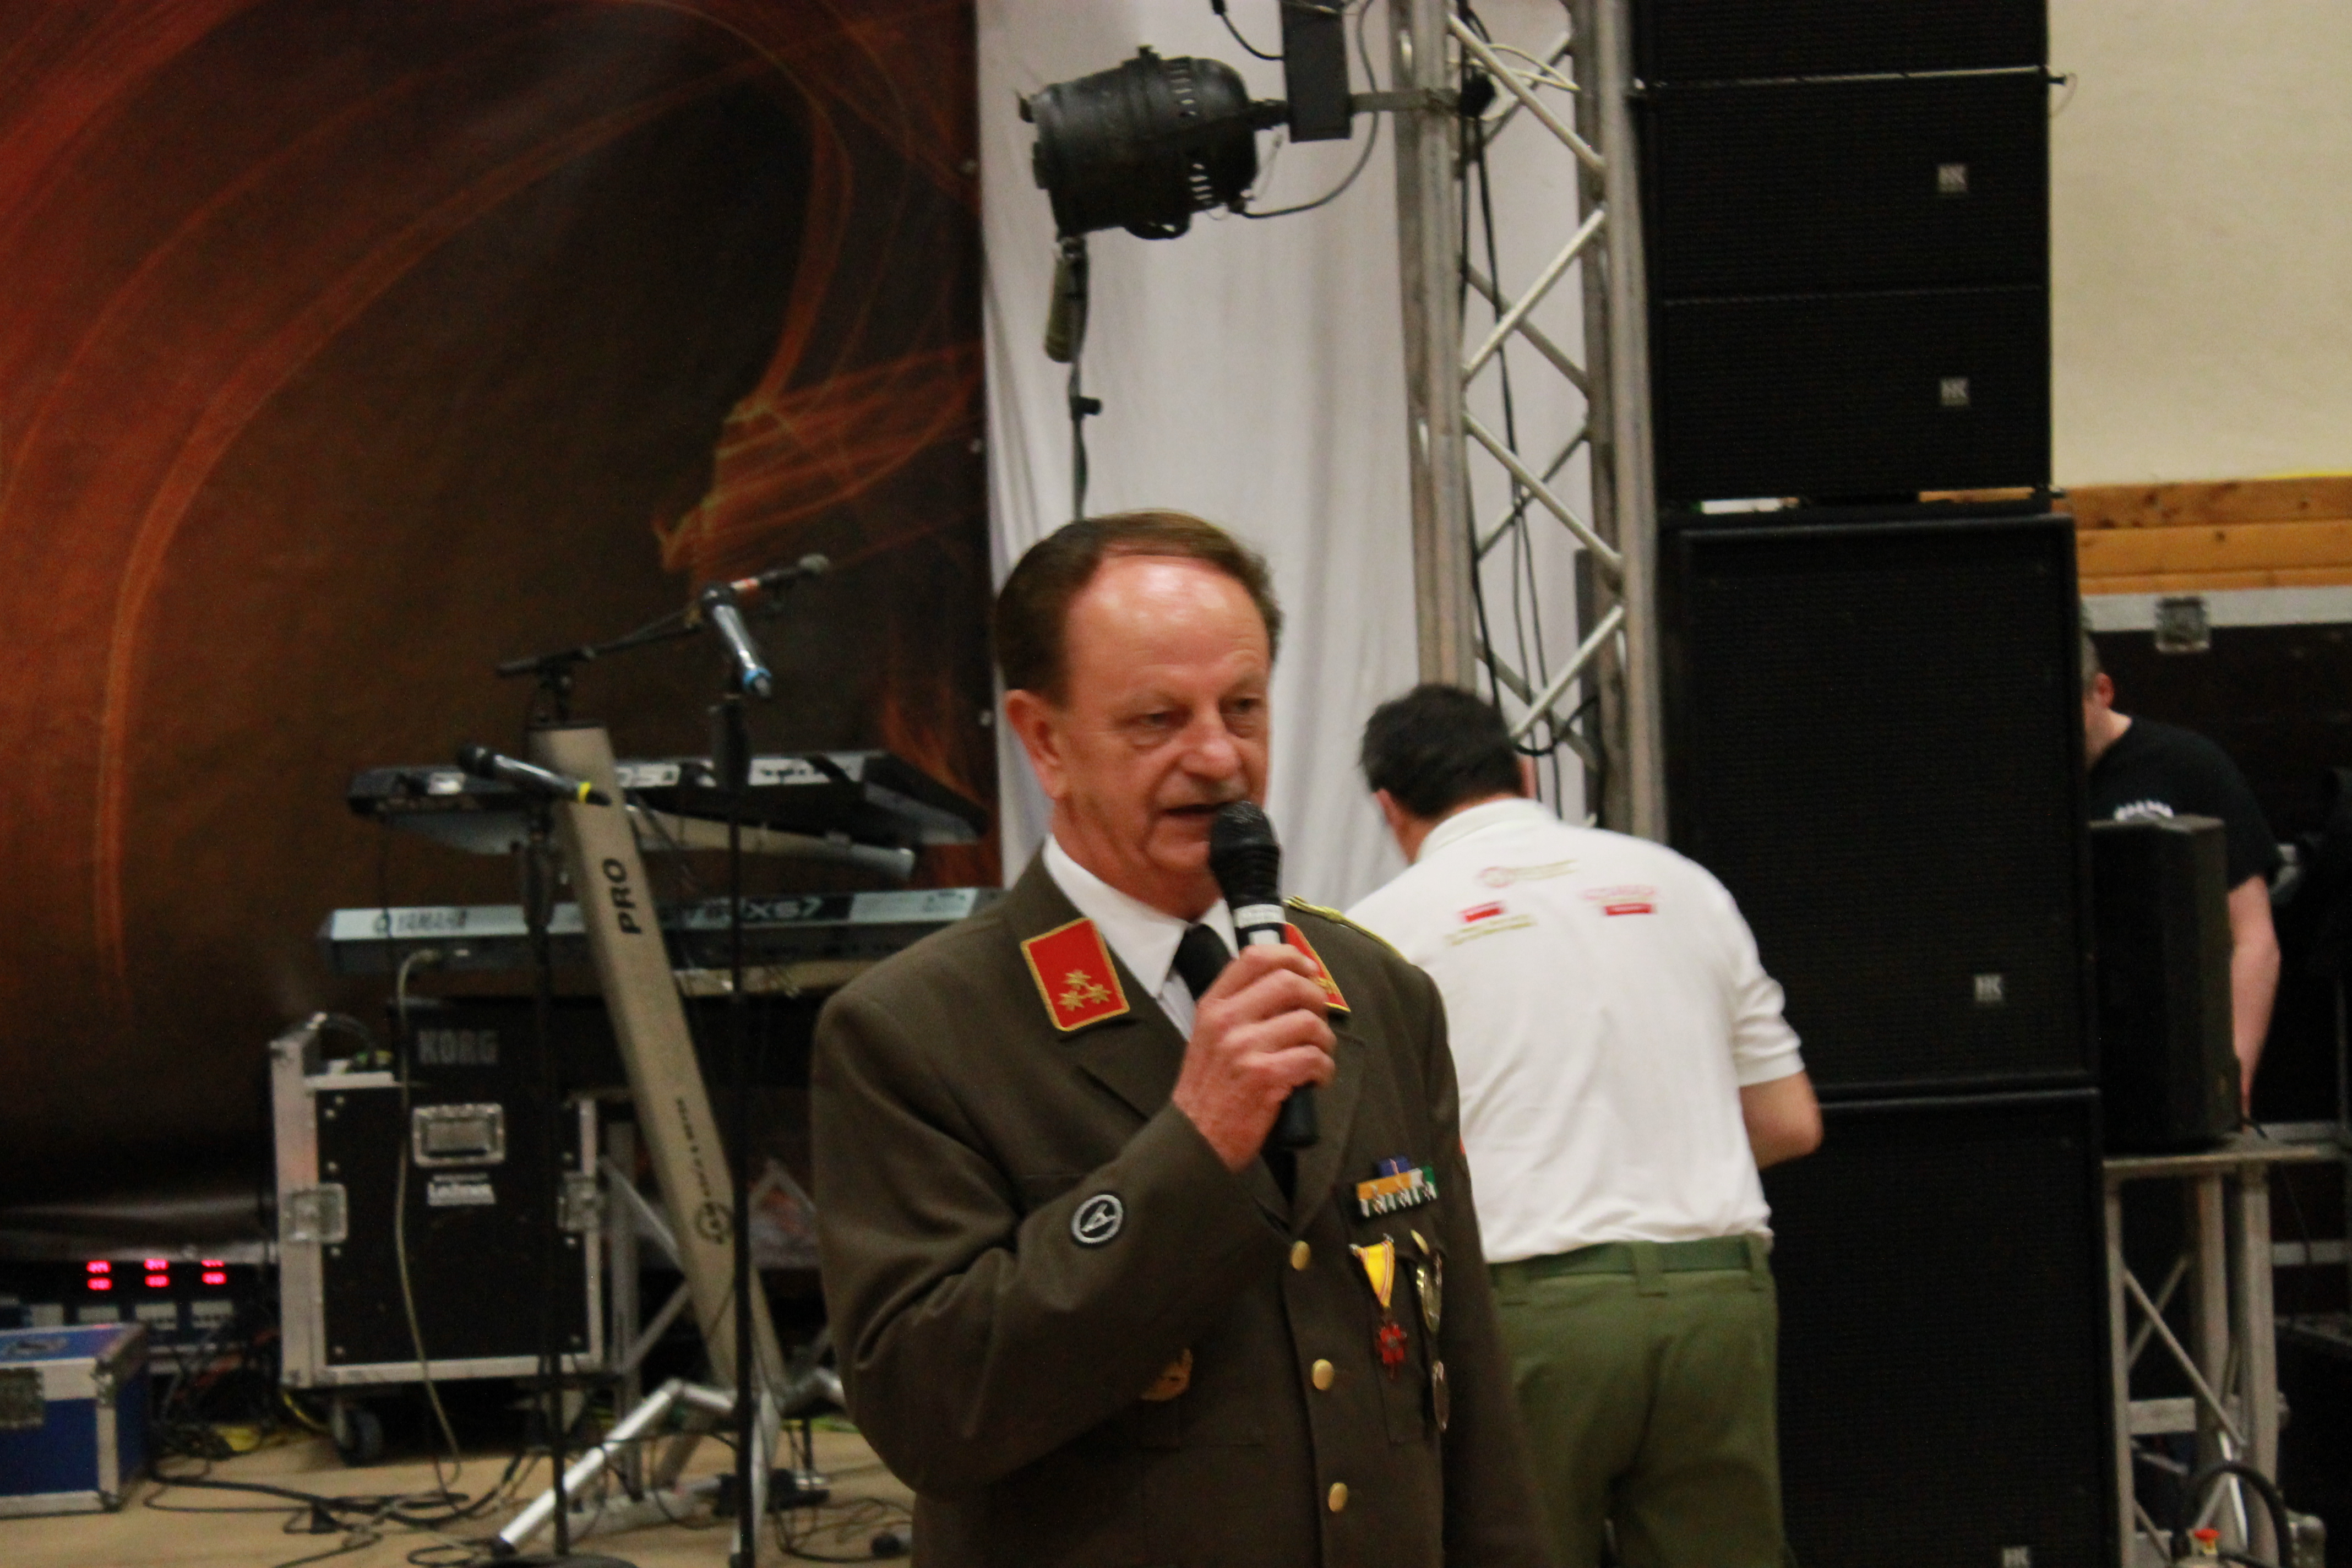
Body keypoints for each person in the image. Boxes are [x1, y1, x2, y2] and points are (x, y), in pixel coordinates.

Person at [812, 514, 1549, 1567]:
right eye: (1157, 718)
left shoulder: (1376, 991)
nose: (1218, 757)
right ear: (1044, 739)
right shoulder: (919, 1028)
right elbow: (933, 1410)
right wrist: (1192, 1144)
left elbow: (1463, 1382)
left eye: (1242, 707)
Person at [1347, 683, 1821, 1568]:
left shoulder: (1376, 934)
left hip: (1530, 1305)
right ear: (1524, 775)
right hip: (1718, 1296)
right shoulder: (1686, 886)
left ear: (1389, 808)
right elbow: (1791, 1122)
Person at [2082, 623, 2280, 1109]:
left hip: (2171, 1046)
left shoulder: (2188, 766)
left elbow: (2253, 939)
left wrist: (2232, 1076)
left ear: (2102, 691)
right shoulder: (2013, 784)